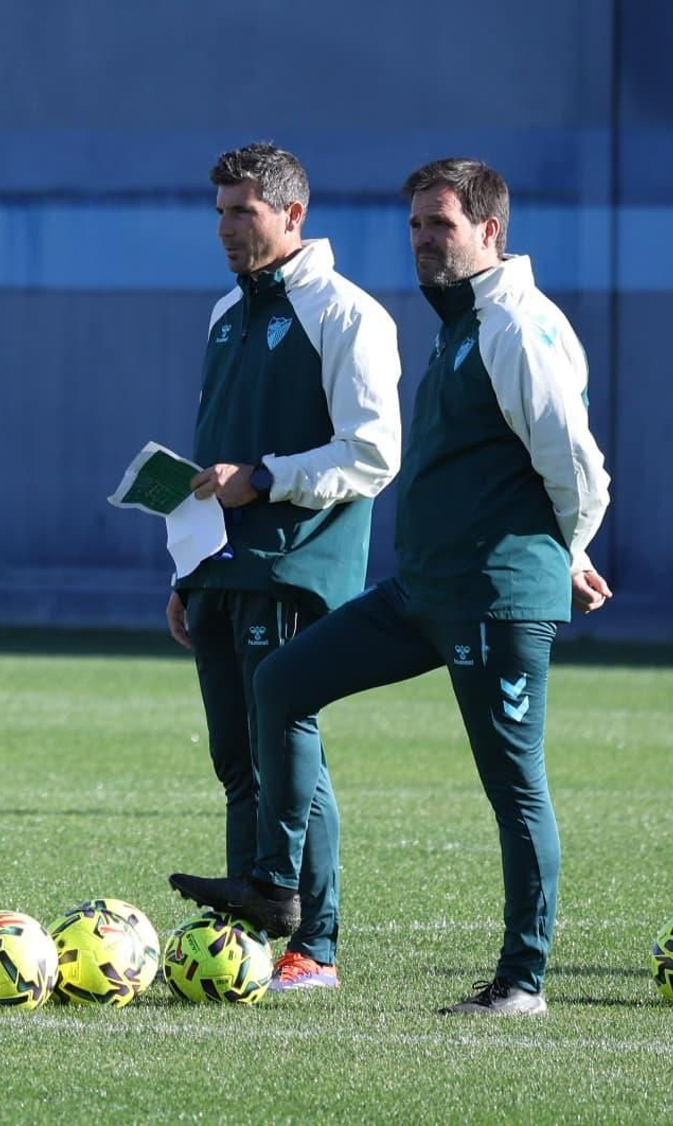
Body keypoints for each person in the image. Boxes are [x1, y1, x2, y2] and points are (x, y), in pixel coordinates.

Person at [171, 158, 612, 1015]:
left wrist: (569, 548)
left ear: (490, 230)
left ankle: (521, 982)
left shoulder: (518, 327)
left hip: (495, 597)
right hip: (423, 591)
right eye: (415, 226)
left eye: (440, 226)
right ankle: (274, 886)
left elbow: (580, 468)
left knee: (514, 789)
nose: (422, 242)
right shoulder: (462, 323)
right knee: (283, 683)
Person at [164, 143, 401, 993]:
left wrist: (265, 478)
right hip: (224, 567)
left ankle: (317, 946)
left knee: (288, 754)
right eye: (221, 211)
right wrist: (189, 571)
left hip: (296, 563)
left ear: (292, 214)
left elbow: (374, 452)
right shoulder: (227, 310)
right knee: (237, 760)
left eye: (243, 212)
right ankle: (244, 940)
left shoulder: (347, 314)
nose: (226, 228)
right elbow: (208, 466)